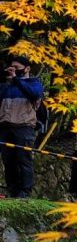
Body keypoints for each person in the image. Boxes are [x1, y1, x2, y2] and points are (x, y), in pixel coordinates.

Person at [0, 55, 43, 198]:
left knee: (23, 159)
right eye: (12, 68)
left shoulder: (33, 83)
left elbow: (34, 94)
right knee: (8, 161)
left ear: (27, 68)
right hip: (5, 127)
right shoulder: (7, 85)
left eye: (17, 68)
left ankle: (25, 192)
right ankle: (12, 191)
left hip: (24, 127)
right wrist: (7, 80)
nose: (14, 71)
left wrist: (17, 80)